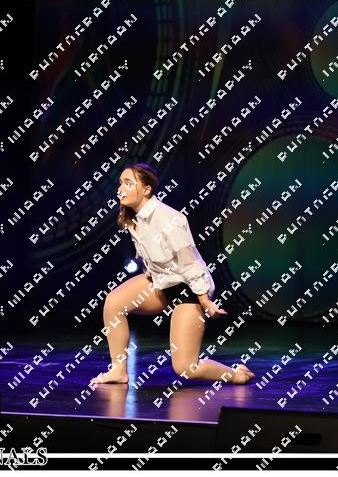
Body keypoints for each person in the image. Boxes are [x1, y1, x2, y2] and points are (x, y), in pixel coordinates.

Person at [91, 163, 255, 385]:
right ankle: (119, 370)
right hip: (162, 283)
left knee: (185, 368)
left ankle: (237, 375)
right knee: (113, 303)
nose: (121, 189)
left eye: (128, 183)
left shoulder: (168, 219)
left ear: (147, 189)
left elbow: (190, 265)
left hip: (189, 288)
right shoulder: (134, 219)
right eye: (120, 183)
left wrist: (204, 299)